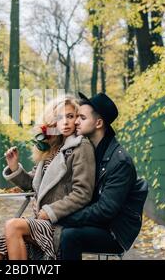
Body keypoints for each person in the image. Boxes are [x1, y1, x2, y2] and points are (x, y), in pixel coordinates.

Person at [0, 95, 96, 260]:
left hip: (60, 224)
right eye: (60, 117)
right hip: (41, 223)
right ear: (53, 122)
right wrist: (14, 167)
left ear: (77, 119)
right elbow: (33, 184)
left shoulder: (81, 147)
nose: (65, 122)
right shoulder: (53, 149)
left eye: (70, 116)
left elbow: (83, 193)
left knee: (12, 226)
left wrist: (50, 212)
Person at [59, 92, 148, 260]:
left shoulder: (120, 161)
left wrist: (65, 218)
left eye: (82, 118)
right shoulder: (91, 150)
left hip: (114, 232)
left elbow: (105, 209)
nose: (76, 121)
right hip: (100, 224)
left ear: (98, 123)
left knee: (69, 235)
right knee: (51, 232)